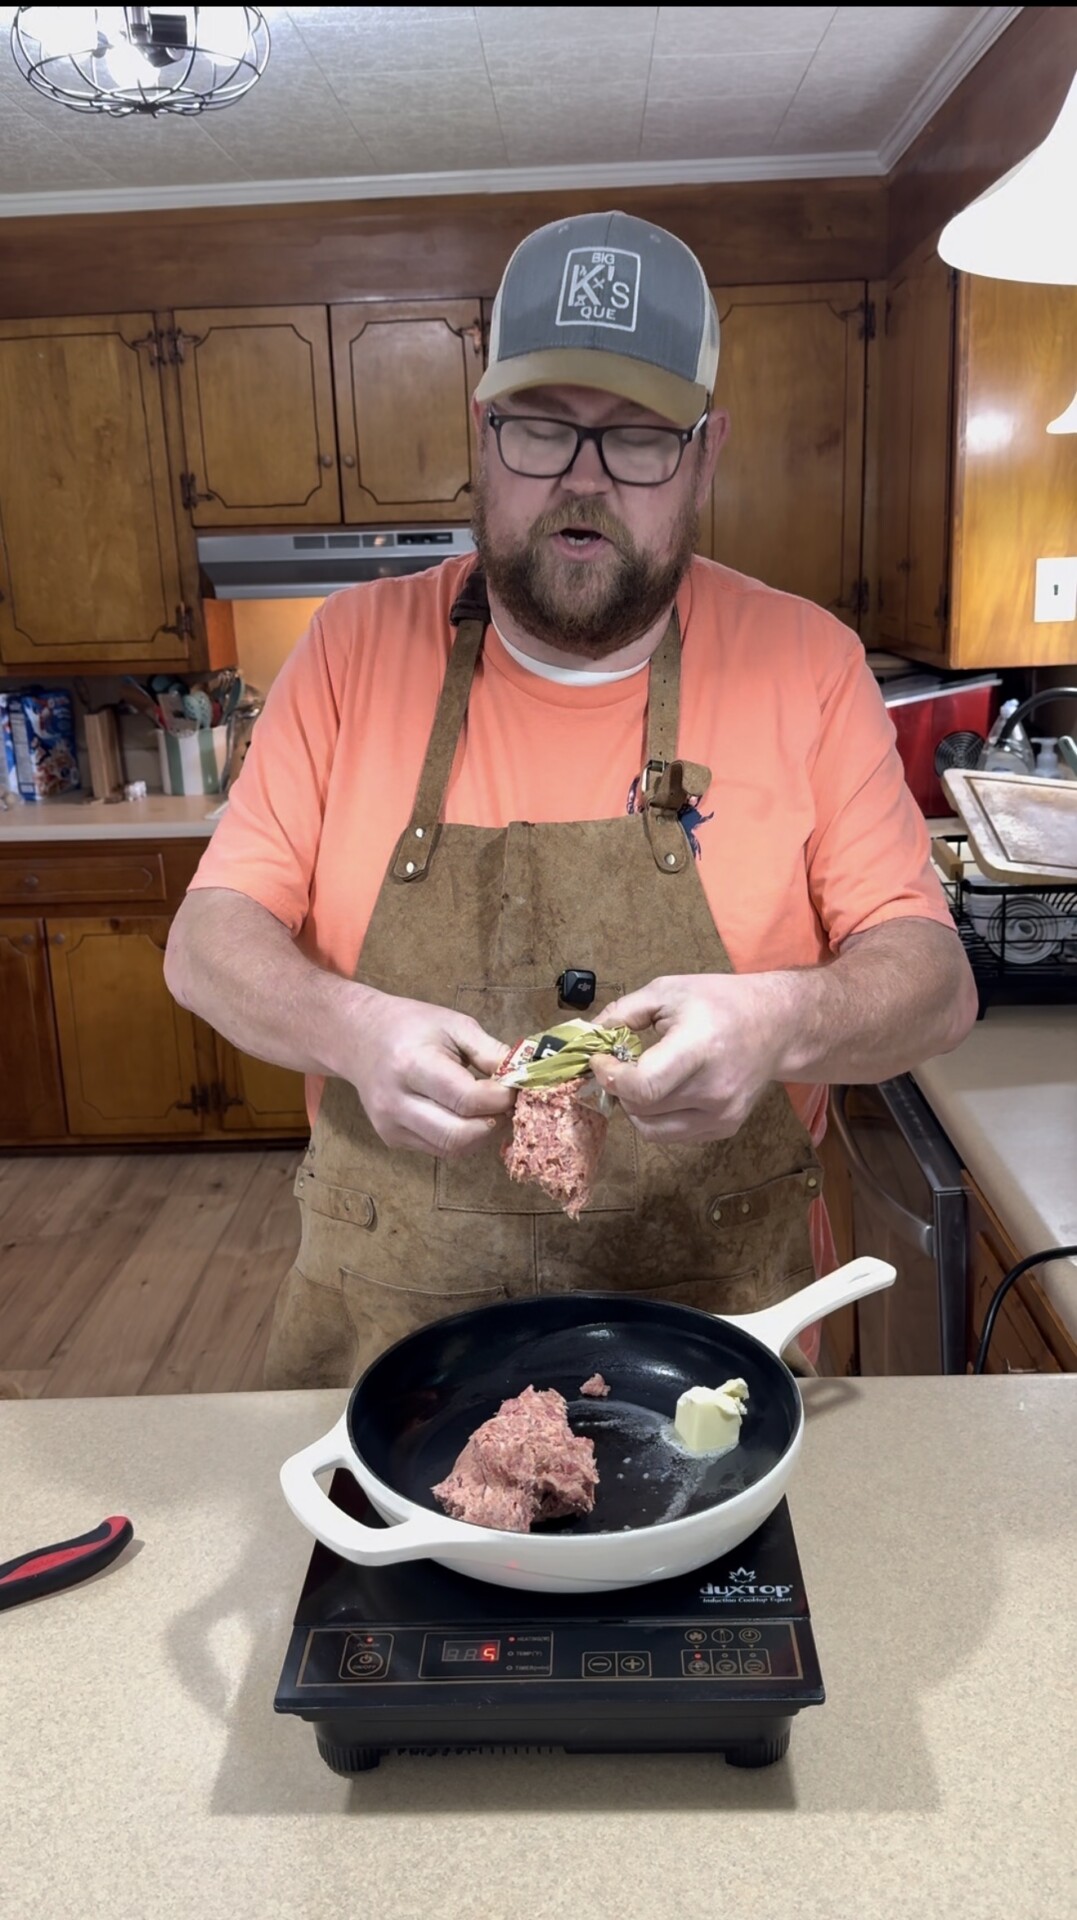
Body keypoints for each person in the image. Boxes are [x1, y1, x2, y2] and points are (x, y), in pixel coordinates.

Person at [165, 209, 978, 1386]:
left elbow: (937, 986)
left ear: (707, 452)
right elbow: (204, 945)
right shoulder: (351, 650)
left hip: (711, 1354)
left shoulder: (807, 662)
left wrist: (778, 1024)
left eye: (640, 438)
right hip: (392, 1353)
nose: (584, 482)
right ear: (485, 435)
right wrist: (352, 1028)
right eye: (544, 429)